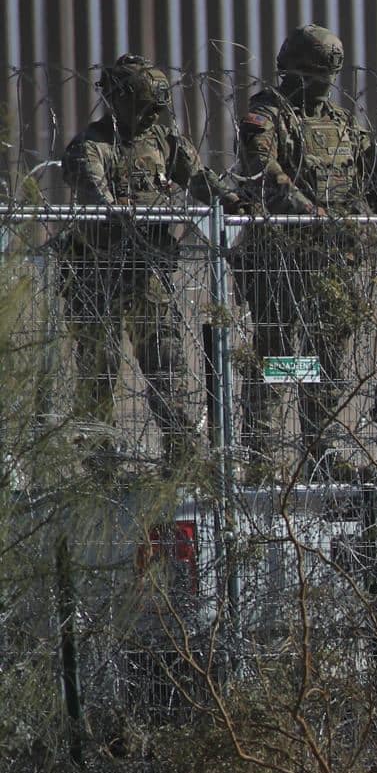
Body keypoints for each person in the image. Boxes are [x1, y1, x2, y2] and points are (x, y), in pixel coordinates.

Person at [231, 23, 377, 480]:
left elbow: (376, 182)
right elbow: (263, 171)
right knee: (277, 355)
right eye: (314, 74)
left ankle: (320, 452)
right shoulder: (268, 116)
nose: (321, 84)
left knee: (329, 358)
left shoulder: (344, 124)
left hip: (333, 261)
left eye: (327, 75)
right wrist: (314, 214)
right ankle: (263, 455)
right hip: (280, 259)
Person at [59, 54, 235, 473]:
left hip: (148, 272)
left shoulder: (162, 141)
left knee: (166, 361)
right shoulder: (92, 144)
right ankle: (100, 459)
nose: (153, 116)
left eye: (157, 109)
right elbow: (92, 188)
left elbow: (199, 179)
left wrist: (230, 200)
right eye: (145, 107)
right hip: (97, 272)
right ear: (120, 101)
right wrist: (117, 209)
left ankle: (181, 451)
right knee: (100, 366)